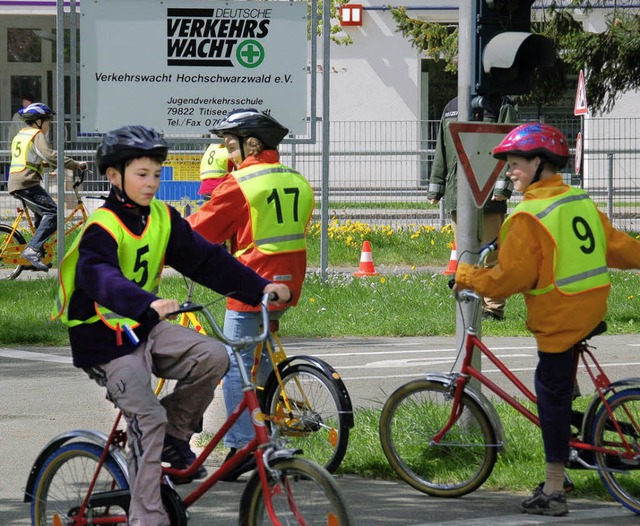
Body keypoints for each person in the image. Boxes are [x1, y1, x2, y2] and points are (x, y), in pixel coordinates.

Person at [50, 125, 292, 526]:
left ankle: (175, 438)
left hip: (144, 327)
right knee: (148, 419)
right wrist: (145, 301)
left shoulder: (162, 218)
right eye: (141, 174)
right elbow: (101, 279)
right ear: (114, 177)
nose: (151, 183)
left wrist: (260, 287)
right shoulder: (102, 228)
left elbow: (206, 260)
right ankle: (147, 517)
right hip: (104, 337)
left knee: (214, 355)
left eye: (157, 175)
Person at [453, 122, 640, 517]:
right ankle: (573, 441)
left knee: (549, 398)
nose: (509, 172)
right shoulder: (580, 201)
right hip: (590, 307)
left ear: (539, 163)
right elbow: (619, 248)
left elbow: (507, 281)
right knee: (558, 383)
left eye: (515, 164)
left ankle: (554, 488)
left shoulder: (527, 217)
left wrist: (467, 276)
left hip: (560, 319)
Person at [187, 108, 314, 481]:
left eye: (231, 144)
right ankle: (267, 433)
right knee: (258, 364)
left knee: (236, 367)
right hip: (288, 285)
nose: (228, 153)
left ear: (252, 143)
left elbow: (202, 231)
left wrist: (168, 237)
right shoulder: (296, 179)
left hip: (250, 286)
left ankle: (242, 446)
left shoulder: (240, 182)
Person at [428, 96, 518, 320]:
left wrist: (502, 187)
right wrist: (436, 187)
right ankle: (470, 306)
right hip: (458, 194)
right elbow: (442, 149)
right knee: (466, 254)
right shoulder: (450, 107)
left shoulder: (499, 103)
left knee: (491, 255)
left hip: (489, 196)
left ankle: (493, 309)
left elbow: (510, 144)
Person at [8, 102, 87, 271]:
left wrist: (46, 167)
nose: (48, 126)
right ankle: (32, 249)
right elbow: (50, 155)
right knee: (53, 213)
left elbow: (30, 159)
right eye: (47, 122)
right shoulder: (36, 134)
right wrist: (75, 164)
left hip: (20, 180)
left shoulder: (21, 135)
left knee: (42, 216)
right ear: (38, 121)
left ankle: (38, 255)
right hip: (26, 183)